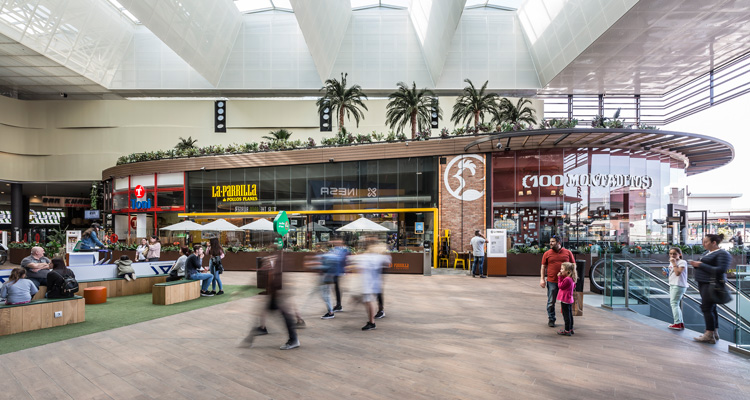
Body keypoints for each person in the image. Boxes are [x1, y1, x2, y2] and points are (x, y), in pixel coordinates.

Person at [241, 247, 300, 350]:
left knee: (285, 316)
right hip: (275, 294)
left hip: (278, 295)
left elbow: (280, 278)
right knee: (270, 313)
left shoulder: (281, 260)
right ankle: (251, 337)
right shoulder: (276, 259)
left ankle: (293, 339)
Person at [689, 233, 731, 344]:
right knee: (711, 308)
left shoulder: (723, 253)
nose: (703, 244)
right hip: (704, 283)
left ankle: (709, 334)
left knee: (706, 307)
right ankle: (713, 332)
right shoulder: (707, 253)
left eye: (706, 242)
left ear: (714, 243)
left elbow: (721, 269)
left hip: (711, 284)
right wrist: (696, 264)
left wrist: (700, 265)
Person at [355, 239, 391, 331]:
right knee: (368, 301)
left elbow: (358, 267)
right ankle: (373, 319)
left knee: (369, 301)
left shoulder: (367, 257)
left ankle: (372, 322)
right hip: (372, 283)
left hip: (368, 283)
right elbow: (387, 262)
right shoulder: (377, 256)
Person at [540, 236, 575, 327]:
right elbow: (543, 267)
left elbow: (573, 265)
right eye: (550, 241)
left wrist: (574, 277)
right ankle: (551, 319)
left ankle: (568, 323)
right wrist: (542, 279)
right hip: (552, 281)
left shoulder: (568, 252)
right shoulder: (547, 253)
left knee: (566, 303)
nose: (550, 243)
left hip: (566, 282)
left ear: (559, 243)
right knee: (551, 301)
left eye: (553, 241)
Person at [664, 247, 688, 330]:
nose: (672, 255)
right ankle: (680, 323)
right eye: (670, 254)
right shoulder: (672, 262)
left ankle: (677, 323)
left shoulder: (682, 262)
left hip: (678, 285)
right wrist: (666, 272)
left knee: (674, 304)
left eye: (674, 253)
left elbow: (678, 273)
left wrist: (674, 263)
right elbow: (673, 273)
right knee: (675, 304)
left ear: (680, 254)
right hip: (673, 284)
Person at [556, 262, 577, 336]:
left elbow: (560, 286)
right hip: (569, 299)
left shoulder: (567, 279)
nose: (560, 270)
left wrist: (559, 277)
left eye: (562, 269)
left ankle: (567, 330)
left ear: (567, 271)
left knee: (566, 315)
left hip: (565, 300)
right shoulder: (571, 278)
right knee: (569, 314)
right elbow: (573, 286)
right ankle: (570, 328)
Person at [330, 238, 349, 312]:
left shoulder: (345, 249)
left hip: (339, 271)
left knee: (337, 287)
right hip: (333, 271)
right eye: (335, 241)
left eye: (338, 241)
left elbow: (343, 258)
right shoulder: (333, 249)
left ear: (342, 241)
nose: (336, 242)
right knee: (335, 288)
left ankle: (339, 305)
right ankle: (338, 304)